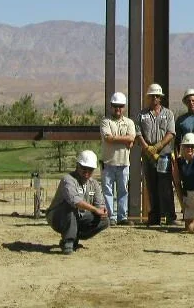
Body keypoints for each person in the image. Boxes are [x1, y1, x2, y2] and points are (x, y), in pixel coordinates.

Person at [46, 150, 109, 254]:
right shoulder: (68, 180)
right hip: (57, 217)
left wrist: (102, 211)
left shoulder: (94, 184)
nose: (87, 173)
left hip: (79, 216)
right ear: (77, 166)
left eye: (90, 170)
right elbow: (74, 201)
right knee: (70, 206)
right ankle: (68, 242)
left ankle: (74, 236)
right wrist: (95, 209)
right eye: (84, 169)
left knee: (104, 221)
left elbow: (99, 205)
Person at [135, 83, 179, 226]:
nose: (155, 98)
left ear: (161, 98)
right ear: (149, 97)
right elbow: (138, 133)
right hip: (148, 156)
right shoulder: (142, 115)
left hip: (164, 155)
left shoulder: (168, 114)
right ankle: (154, 217)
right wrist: (147, 148)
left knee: (165, 186)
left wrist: (158, 146)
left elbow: (171, 133)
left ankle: (170, 216)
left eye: (157, 96)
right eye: (152, 95)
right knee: (151, 186)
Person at [100, 91, 136, 225]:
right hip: (108, 162)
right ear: (111, 106)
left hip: (123, 162)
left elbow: (131, 139)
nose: (118, 109)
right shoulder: (105, 121)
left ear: (124, 107)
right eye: (115, 106)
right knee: (108, 191)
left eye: (120, 106)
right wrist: (124, 139)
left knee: (123, 191)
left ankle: (122, 217)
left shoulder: (129, 123)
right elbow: (107, 138)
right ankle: (111, 217)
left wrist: (114, 138)